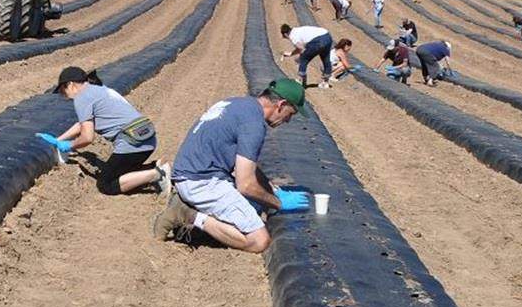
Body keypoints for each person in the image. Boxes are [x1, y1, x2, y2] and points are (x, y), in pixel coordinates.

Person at [152, 79, 308, 253]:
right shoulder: (254, 125)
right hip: (200, 182)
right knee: (259, 240)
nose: (287, 121)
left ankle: (191, 205)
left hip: (192, 171)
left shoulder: (239, 104)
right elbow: (246, 185)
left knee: (258, 204)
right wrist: (279, 203)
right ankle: (187, 213)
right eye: (290, 114)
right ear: (281, 104)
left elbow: (246, 164)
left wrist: (271, 190)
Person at [46, 67, 169, 195]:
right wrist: (59, 139)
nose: (64, 96)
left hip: (132, 143)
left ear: (70, 84)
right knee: (120, 170)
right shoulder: (99, 89)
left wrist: (69, 145)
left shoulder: (82, 98)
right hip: (147, 137)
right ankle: (156, 166)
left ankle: (157, 174)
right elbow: (82, 124)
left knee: (106, 184)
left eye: (63, 91)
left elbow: (87, 137)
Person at [280, 22, 333, 88]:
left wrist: (294, 56)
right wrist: (291, 54)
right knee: (326, 59)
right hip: (327, 36)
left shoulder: (292, 36)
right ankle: (325, 83)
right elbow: (301, 48)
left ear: (285, 34)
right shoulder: (297, 30)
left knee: (303, 59)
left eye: (284, 36)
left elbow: (301, 49)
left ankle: (301, 82)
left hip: (317, 41)